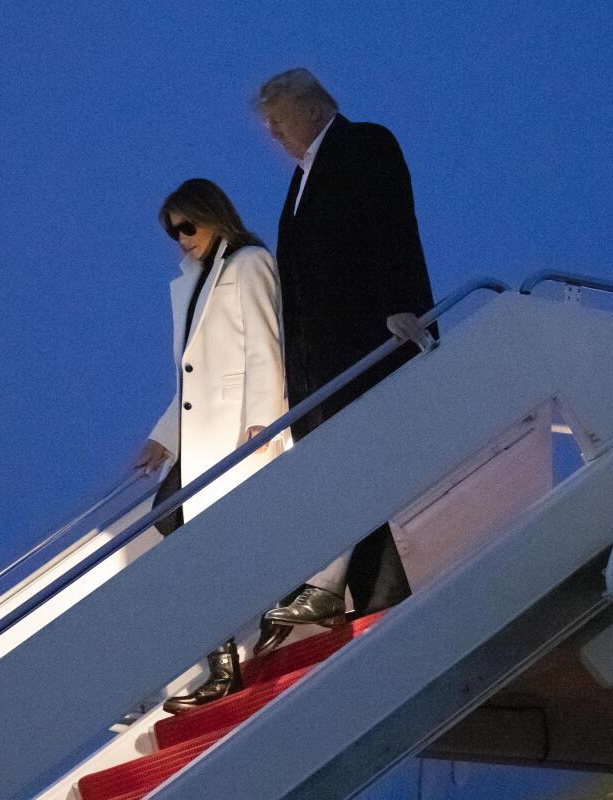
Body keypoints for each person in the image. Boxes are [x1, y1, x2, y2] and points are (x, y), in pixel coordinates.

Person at [251, 68, 436, 653]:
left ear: (310, 110)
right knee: (347, 473)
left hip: (365, 345)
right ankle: (365, 601)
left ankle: (340, 590)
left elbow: (392, 226)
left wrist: (404, 308)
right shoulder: (299, 182)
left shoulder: (364, 143)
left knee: (356, 465)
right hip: (319, 368)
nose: (274, 137)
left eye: (277, 122)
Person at [134, 178, 286, 712]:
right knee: (177, 526)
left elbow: (267, 345)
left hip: (238, 430)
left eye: (187, 225)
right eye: (173, 232)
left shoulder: (247, 264)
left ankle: (234, 656)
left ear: (213, 214)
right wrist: (163, 436)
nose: (181, 238)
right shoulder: (195, 280)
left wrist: (265, 420)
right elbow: (191, 377)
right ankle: (224, 660)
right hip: (204, 436)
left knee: (200, 535)